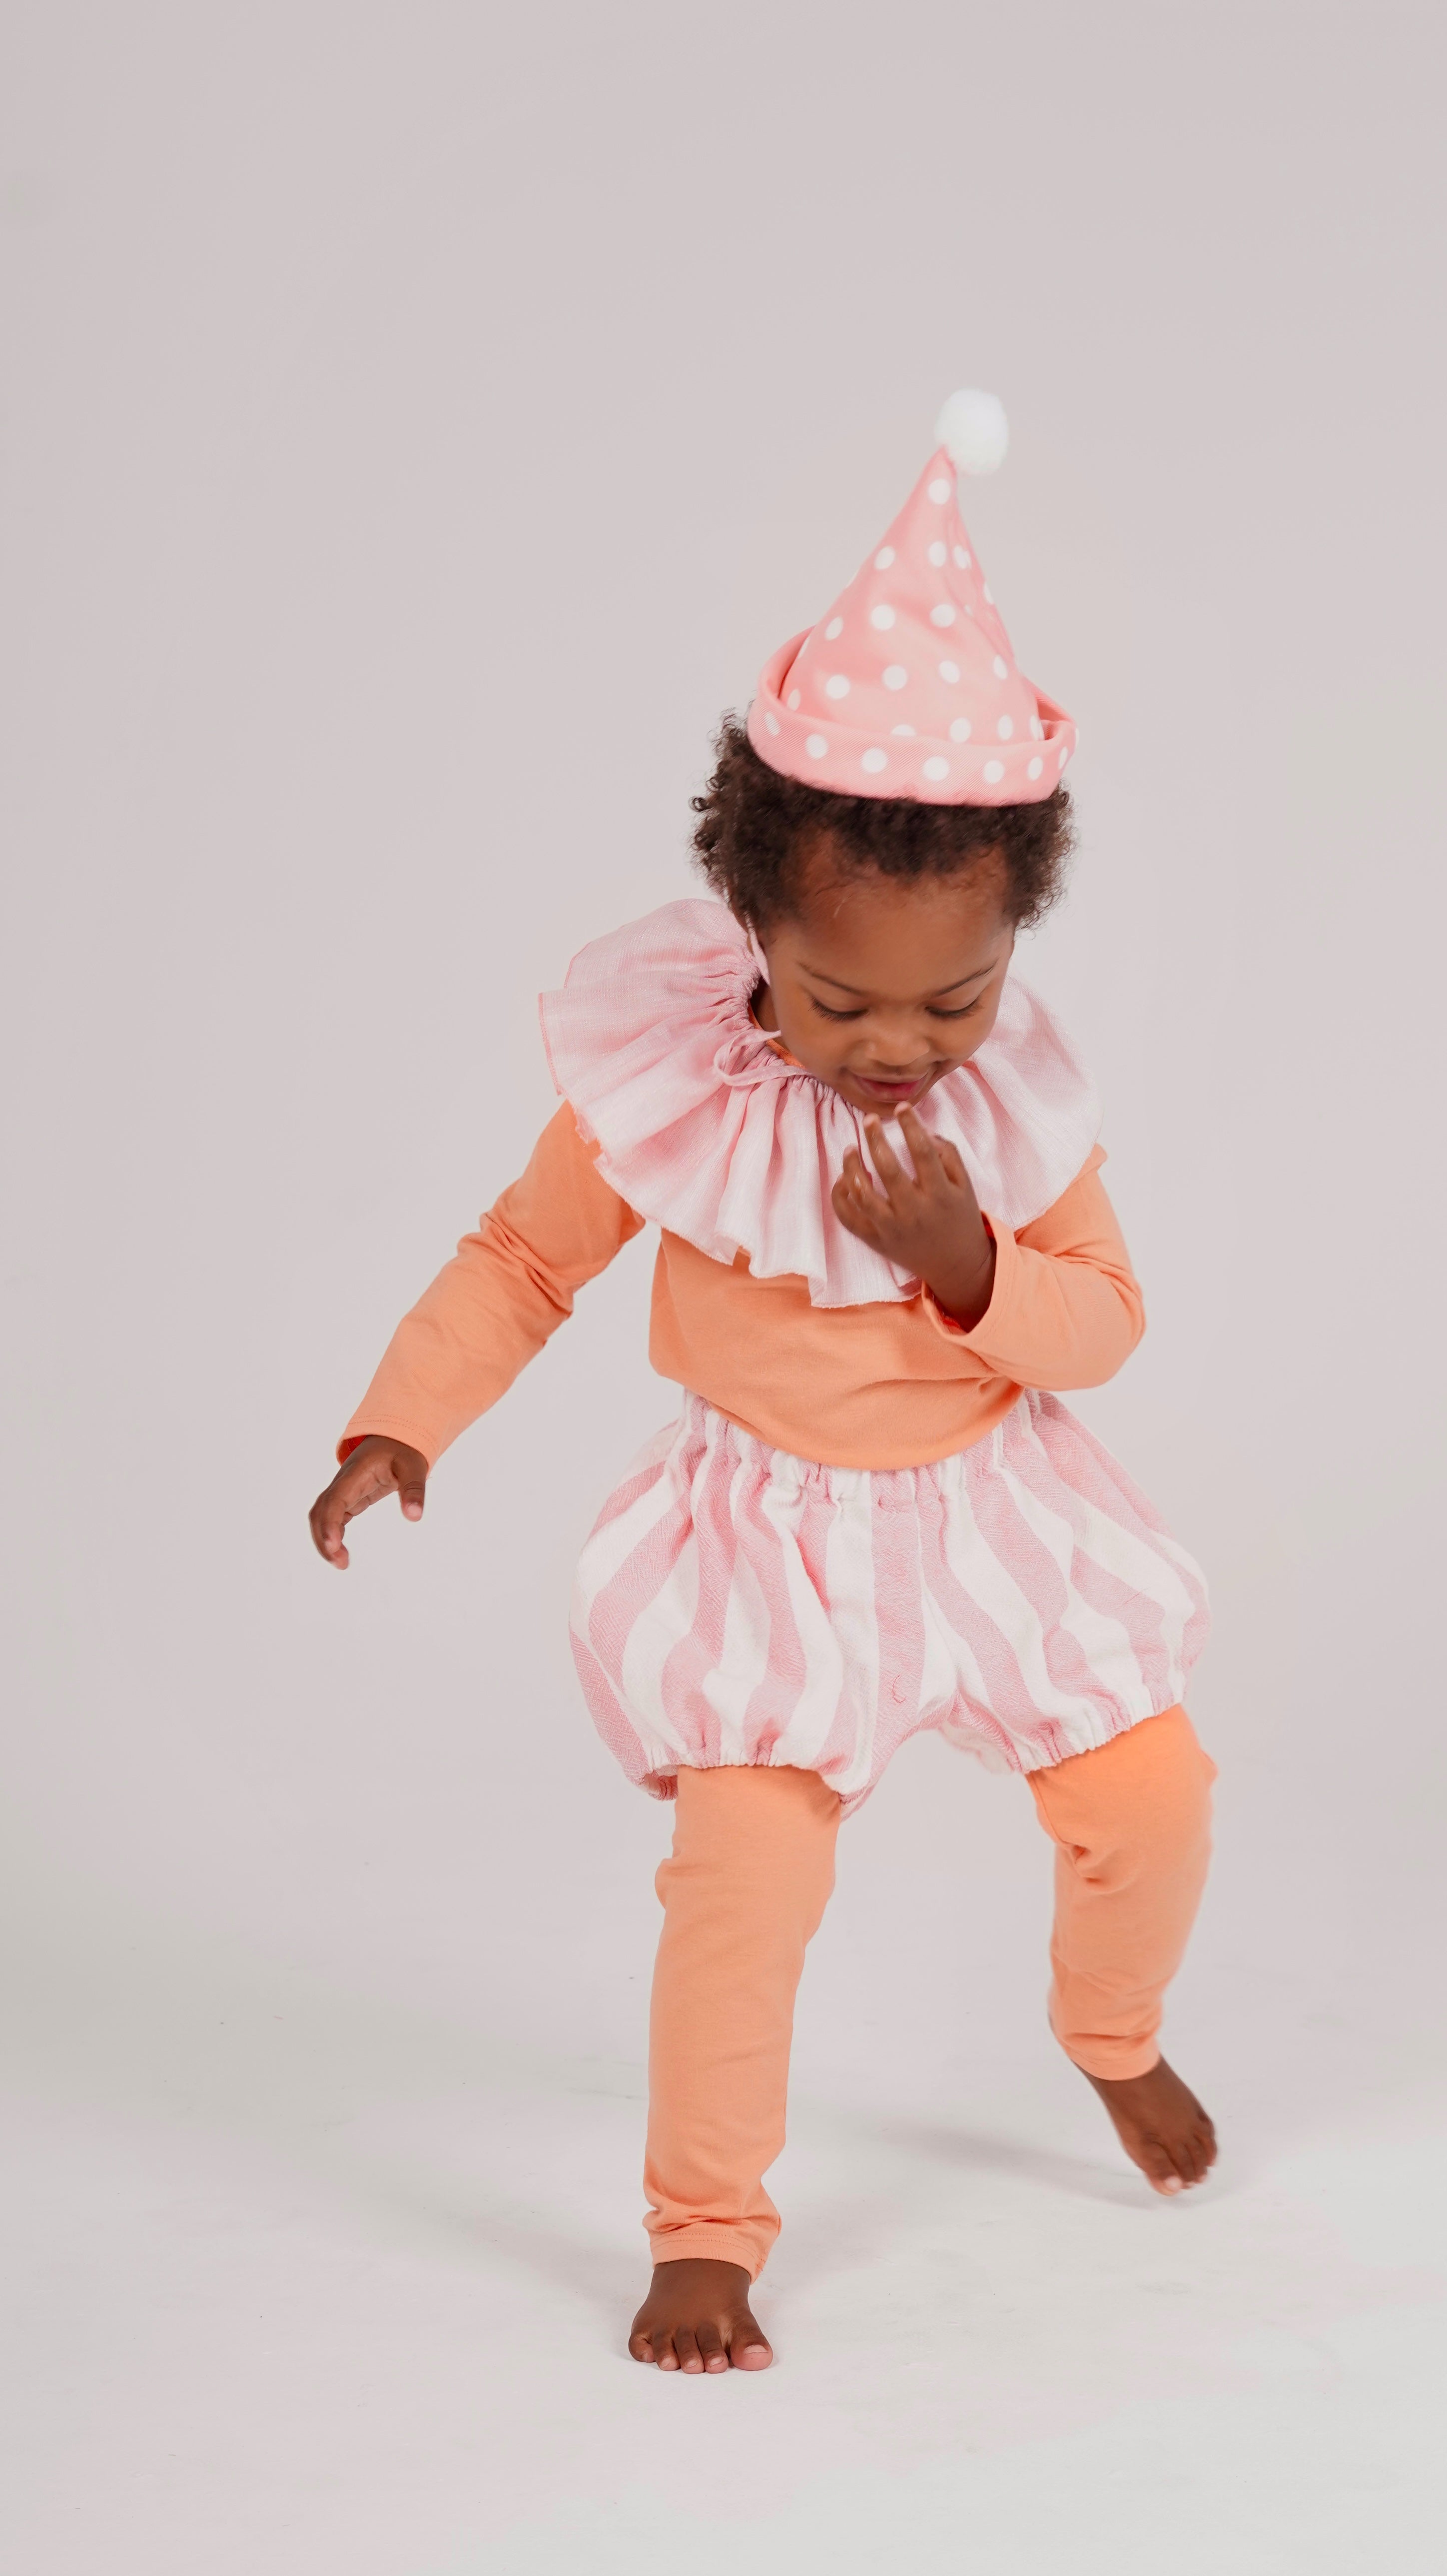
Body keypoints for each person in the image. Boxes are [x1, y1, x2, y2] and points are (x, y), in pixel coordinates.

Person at [309, 393, 1218, 2375]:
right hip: (771, 1542)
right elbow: (523, 1255)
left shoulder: (1013, 1108)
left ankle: (1111, 2031)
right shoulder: (677, 1093)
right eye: (839, 997)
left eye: (953, 997)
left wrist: (973, 1269)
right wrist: (403, 1415)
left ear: (1013, 943)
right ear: (755, 929)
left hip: (993, 1508)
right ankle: (706, 2224)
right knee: (742, 1883)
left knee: (1153, 1793)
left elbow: (1106, 1322)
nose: (899, 1044)